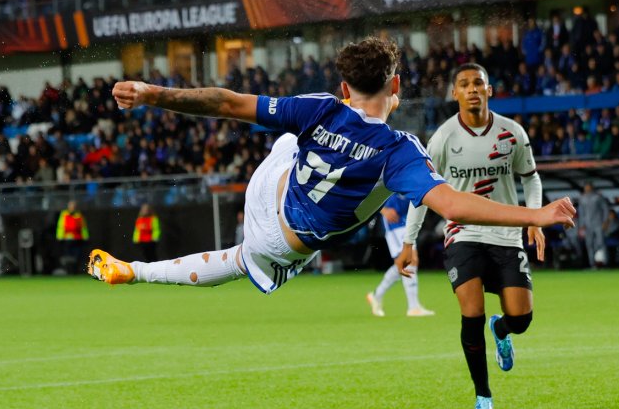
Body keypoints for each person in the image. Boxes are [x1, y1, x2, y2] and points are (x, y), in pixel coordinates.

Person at [88, 38, 576, 302]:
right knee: (241, 259)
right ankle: (137, 272)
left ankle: (131, 270)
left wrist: (154, 94)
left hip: (270, 191)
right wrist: (534, 216)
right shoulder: (399, 149)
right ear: (397, 84)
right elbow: (451, 203)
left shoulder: (322, 106)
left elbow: (226, 102)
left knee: (284, 130)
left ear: (345, 87)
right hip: (287, 241)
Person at [397, 63, 545, 409]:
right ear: (455, 94)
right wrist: (408, 242)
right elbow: (423, 192)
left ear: (489, 90)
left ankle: (503, 328)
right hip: (462, 234)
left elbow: (531, 179)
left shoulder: (512, 133)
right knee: (471, 312)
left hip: (507, 237)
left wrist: (535, 218)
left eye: (479, 82)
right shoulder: (443, 138)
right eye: (464, 84)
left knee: (521, 318)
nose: (472, 88)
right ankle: (483, 396)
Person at [366, 193, 435, 317]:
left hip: (407, 218)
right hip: (395, 221)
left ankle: (377, 295)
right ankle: (413, 307)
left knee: (405, 261)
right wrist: (383, 209)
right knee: (409, 260)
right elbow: (368, 190)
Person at [578, 182, 608, 268]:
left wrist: (605, 221)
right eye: (585, 187)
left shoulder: (598, 197)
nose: (587, 189)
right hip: (587, 225)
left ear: (591, 187)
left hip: (598, 223)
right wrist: (581, 224)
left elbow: (605, 209)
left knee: (600, 243)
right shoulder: (582, 198)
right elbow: (581, 212)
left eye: (588, 187)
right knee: (589, 244)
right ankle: (592, 264)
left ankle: (604, 262)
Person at [56, 200, 89, 273]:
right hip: (67, 239)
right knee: (67, 256)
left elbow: (83, 227)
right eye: (71, 206)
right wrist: (59, 236)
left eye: (74, 206)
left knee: (77, 256)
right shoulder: (64, 214)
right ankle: (68, 270)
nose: (72, 208)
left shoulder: (79, 215)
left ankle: (76, 270)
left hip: (77, 239)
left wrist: (85, 236)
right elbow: (61, 226)